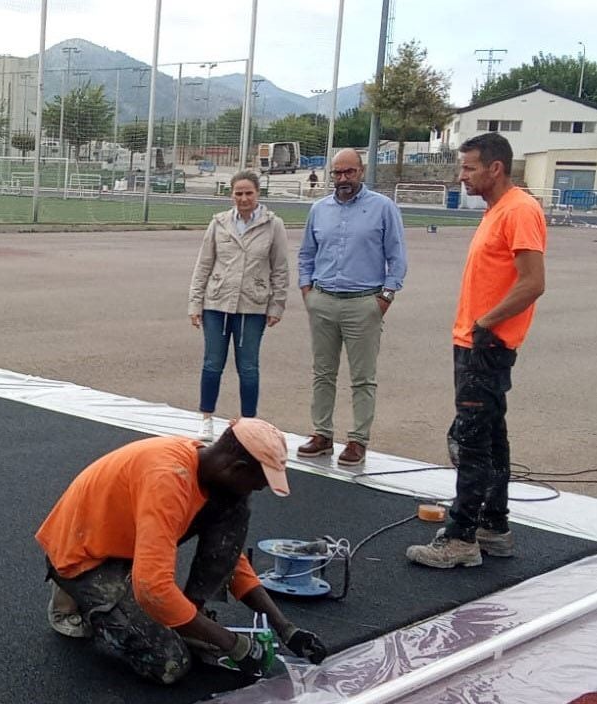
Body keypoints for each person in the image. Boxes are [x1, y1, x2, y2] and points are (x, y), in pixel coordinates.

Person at [36, 419, 328, 684]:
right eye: (257, 483)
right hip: (84, 554)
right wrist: (232, 644)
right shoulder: (168, 480)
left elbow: (228, 558)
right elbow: (153, 589)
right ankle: (77, 595)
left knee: (236, 510)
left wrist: (286, 629)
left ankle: (183, 615)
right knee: (170, 663)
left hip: (125, 546)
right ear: (237, 468)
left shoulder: (213, 479)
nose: (259, 490)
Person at [407, 133, 546, 569]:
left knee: (468, 440)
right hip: (475, 339)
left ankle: (461, 537)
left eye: (468, 168)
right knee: (490, 437)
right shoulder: (497, 211)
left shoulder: (520, 210)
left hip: (487, 344)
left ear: (495, 168)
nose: (460, 175)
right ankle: (494, 526)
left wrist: (485, 324)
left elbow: (533, 282)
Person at [296, 148, 408, 466]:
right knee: (323, 373)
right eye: (337, 173)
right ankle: (322, 434)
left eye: (349, 172)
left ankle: (358, 440)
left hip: (363, 302)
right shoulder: (319, 210)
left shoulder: (383, 208)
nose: (343, 179)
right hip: (323, 300)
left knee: (362, 378)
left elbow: (397, 256)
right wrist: (308, 291)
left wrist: (385, 297)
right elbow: (306, 253)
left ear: (361, 172)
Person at [188, 170, 290, 441]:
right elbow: (204, 265)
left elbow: (280, 269)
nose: (243, 198)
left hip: (252, 307)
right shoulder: (219, 223)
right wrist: (195, 303)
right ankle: (206, 418)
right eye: (238, 193)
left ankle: (248, 425)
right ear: (231, 194)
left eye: (249, 193)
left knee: (248, 367)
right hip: (217, 303)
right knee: (212, 363)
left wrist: (276, 305)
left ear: (258, 194)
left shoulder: (273, 225)